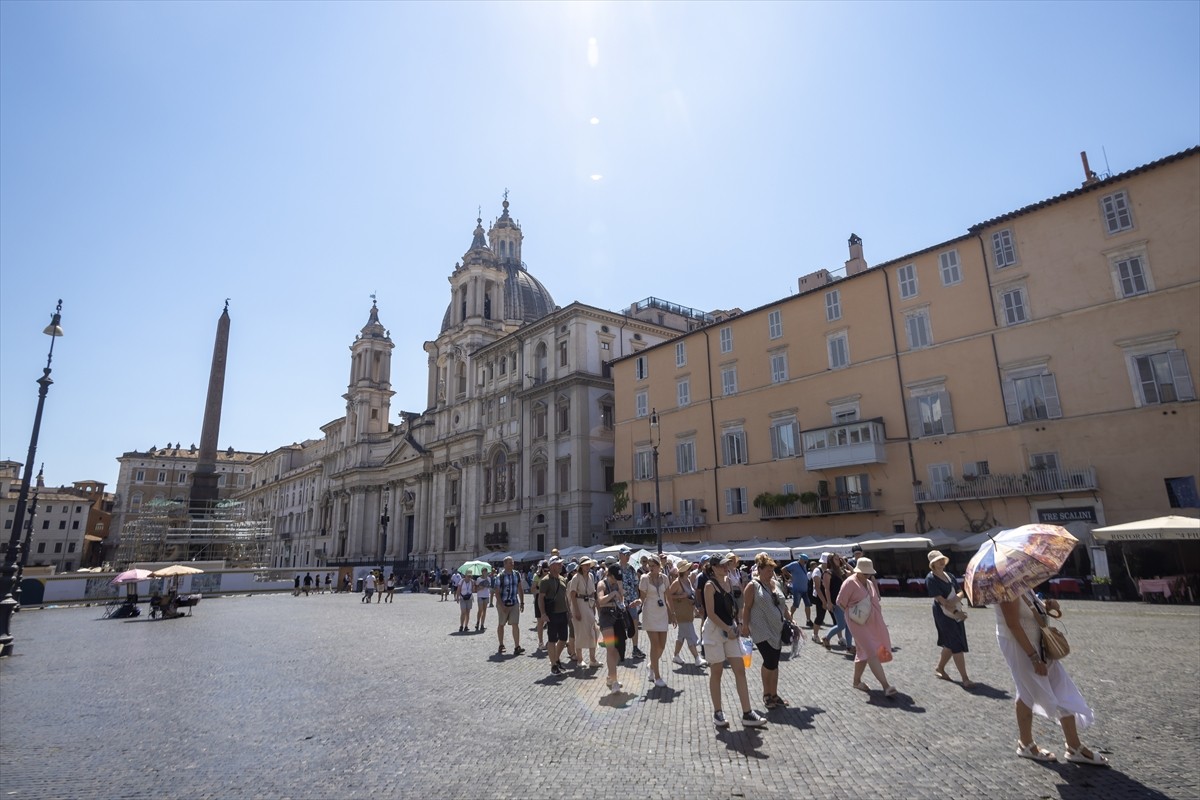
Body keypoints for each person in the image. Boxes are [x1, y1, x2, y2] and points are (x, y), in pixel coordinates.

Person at [997, 589, 1108, 765]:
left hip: (1038, 642)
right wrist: (1033, 657)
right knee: (1026, 690)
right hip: (1018, 645)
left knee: (1061, 685)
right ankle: (1026, 744)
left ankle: (1073, 746)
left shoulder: (1024, 586)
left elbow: (1033, 613)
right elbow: (1013, 624)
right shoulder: (1006, 589)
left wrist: (1048, 607)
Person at [700, 553, 768, 730]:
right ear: (713, 567)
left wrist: (736, 623)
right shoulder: (709, 585)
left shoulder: (729, 581)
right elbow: (711, 613)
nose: (725, 567)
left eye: (726, 565)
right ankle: (718, 711)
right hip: (715, 631)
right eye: (722, 565)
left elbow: (734, 605)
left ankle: (747, 712)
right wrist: (727, 628)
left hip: (730, 628)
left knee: (740, 670)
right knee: (717, 671)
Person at [836, 557, 896, 696]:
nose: (867, 575)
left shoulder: (869, 583)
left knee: (862, 651)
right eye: (865, 573)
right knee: (871, 651)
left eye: (869, 573)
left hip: (871, 623)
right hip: (857, 623)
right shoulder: (850, 582)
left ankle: (856, 681)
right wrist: (853, 612)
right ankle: (886, 686)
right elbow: (840, 602)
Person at [743, 553, 792, 709]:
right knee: (769, 661)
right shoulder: (753, 585)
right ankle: (766, 694)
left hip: (776, 628)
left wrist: (790, 618)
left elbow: (782, 603)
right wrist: (744, 625)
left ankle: (774, 694)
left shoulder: (775, 583)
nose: (771, 573)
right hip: (761, 629)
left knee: (775, 663)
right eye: (768, 570)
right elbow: (747, 607)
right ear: (760, 569)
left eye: (772, 570)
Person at [926, 550, 974, 688]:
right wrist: (954, 609)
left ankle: (940, 668)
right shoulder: (931, 579)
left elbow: (960, 592)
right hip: (943, 614)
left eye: (942, 560)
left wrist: (954, 601)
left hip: (954, 609)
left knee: (950, 642)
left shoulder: (950, 575)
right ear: (933, 564)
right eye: (938, 561)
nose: (941, 562)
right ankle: (965, 678)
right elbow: (941, 601)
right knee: (956, 643)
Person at [639, 556, 676, 687]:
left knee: (662, 646)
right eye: (649, 565)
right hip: (650, 613)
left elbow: (669, 597)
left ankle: (651, 665)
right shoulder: (644, 578)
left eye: (653, 565)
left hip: (662, 614)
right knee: (655, 645)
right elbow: (642, 598)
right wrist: (636, 603)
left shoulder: (664, 578)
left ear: (659, 566)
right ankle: (657, 676)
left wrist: (672, 614)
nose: (650, 567)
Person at [596, 563, 626, 693]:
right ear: (610, 575)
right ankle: (614, 681)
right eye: (615, 578)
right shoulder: (602, 584)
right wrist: (613, 593)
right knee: (610, 648)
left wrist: (619, 589)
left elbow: (621, 600)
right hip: (606, 618)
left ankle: (610, 675)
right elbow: (601, 601)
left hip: (617, 617)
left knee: (617, 651)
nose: (616, 580)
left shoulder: (617, 583)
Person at [669, 561, 706, 667]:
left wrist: (695, 608)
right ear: (684, 571)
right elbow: (668, 596)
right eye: (688, 569)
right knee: (690, 635)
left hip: (688, 612)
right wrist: (680, 596)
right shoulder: (677, 582)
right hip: (681, 613)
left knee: (681, 636)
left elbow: (691, 596)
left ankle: (676, 655)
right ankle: (697, 658)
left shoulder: (688, 580)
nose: (690, 570)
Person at [539, 558, 570, 674]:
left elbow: (565, 597)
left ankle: (556, 659)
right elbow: (541, 598)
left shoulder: (563, 579)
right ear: (552, 566)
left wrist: (569, 611)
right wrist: (543, 614)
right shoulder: (545, 581)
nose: (561, 565)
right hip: (552, 614)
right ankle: (553, 665)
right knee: (552, 639)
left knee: (563, 639)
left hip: (563, 613)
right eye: (559, 564)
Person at [568, 557, 600, 668]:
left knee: (594, 631)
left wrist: (594, 607)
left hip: (589, 605)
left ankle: (593, 659)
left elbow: (593, 593)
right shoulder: (576, 578)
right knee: (579, 633)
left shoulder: (591, 576)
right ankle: (580, 659)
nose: (587, 567)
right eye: (585, 565)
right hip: (579, 604)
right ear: (581, 566)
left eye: (588, 565)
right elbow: (572, 595)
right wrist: (576, 610)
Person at [821, 554, 854, 653]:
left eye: (839, 559)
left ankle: (849, 646)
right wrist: (829, 602)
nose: (838, 560)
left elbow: (854, 573)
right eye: (836, 559)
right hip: (836, 602)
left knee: (849, 625)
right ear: (831, 560)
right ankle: (826, 637)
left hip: (846, 601)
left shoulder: (842, 571)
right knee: (841, 625)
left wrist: (845, 563)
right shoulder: (828, 573)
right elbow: (826, 589)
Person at [617, 547, 644, 660]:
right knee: (619, 625)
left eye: (628, 554)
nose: (628, 556)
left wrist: (637, 598)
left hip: (632, 600)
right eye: (625, 554)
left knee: (634, 622)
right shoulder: (614, 568)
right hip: (619, 601)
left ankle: (635, 648)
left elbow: (636, 584)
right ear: (620, 555)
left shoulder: (632, 568)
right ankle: (619, 649)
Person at [495, 557, 526, 655]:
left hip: (514, 602)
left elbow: (520, 588)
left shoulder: (516, 574)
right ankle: (501, 644)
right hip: (503, 603)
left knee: (515, 624)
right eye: (510, 563)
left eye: (512, 562)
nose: (512, 564)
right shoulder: (500, 576)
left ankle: (517, 646)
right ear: (504, 564)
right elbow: (497, 592)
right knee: (501, 624)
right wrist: (502, 605)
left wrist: (522, 602)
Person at [781, 555, 812, 628]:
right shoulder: (794, 564)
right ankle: (790, 617)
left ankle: (808, 620)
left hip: (804, 589)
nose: (805, 563)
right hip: (797, 589)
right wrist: (790, 576)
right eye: (805, 561)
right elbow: (783, 569)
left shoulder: (803, 565)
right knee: (795, 604)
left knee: (808, 604)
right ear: (801, 559)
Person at [809, 555, 828, 643]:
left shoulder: (828, 569)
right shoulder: (817, 571)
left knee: (836, 617)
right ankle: (815, 635)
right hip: (820, 596)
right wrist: (824, 601)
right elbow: (817, 587)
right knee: (820, 616)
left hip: (828, 595)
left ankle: (840, 638)